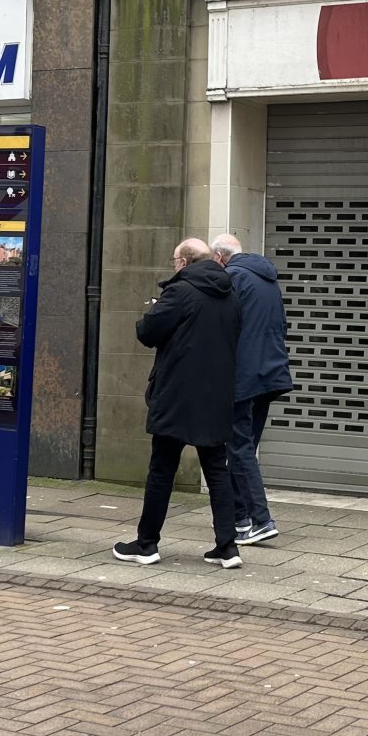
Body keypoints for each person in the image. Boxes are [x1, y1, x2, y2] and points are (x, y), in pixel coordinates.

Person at [113, 237, 244, 569]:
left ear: (184, 262)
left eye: (174, 260)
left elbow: (148, 331)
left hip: (178, 395)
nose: (173, 266)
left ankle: (146, 544)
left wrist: (157, 306)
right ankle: (227, 547)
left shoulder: (180, 291)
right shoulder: (230, 295)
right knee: (217, 471)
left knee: (161, 471)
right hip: (216, 395)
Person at [212, 233, 292, 546]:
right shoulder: (267, 279)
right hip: (270, 373)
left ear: (219, 257)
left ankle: (260, 519)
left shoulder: (232, 278)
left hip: (244, 375)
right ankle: (241, 518)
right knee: (243, 449)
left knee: (240, 448)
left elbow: (222, 325)